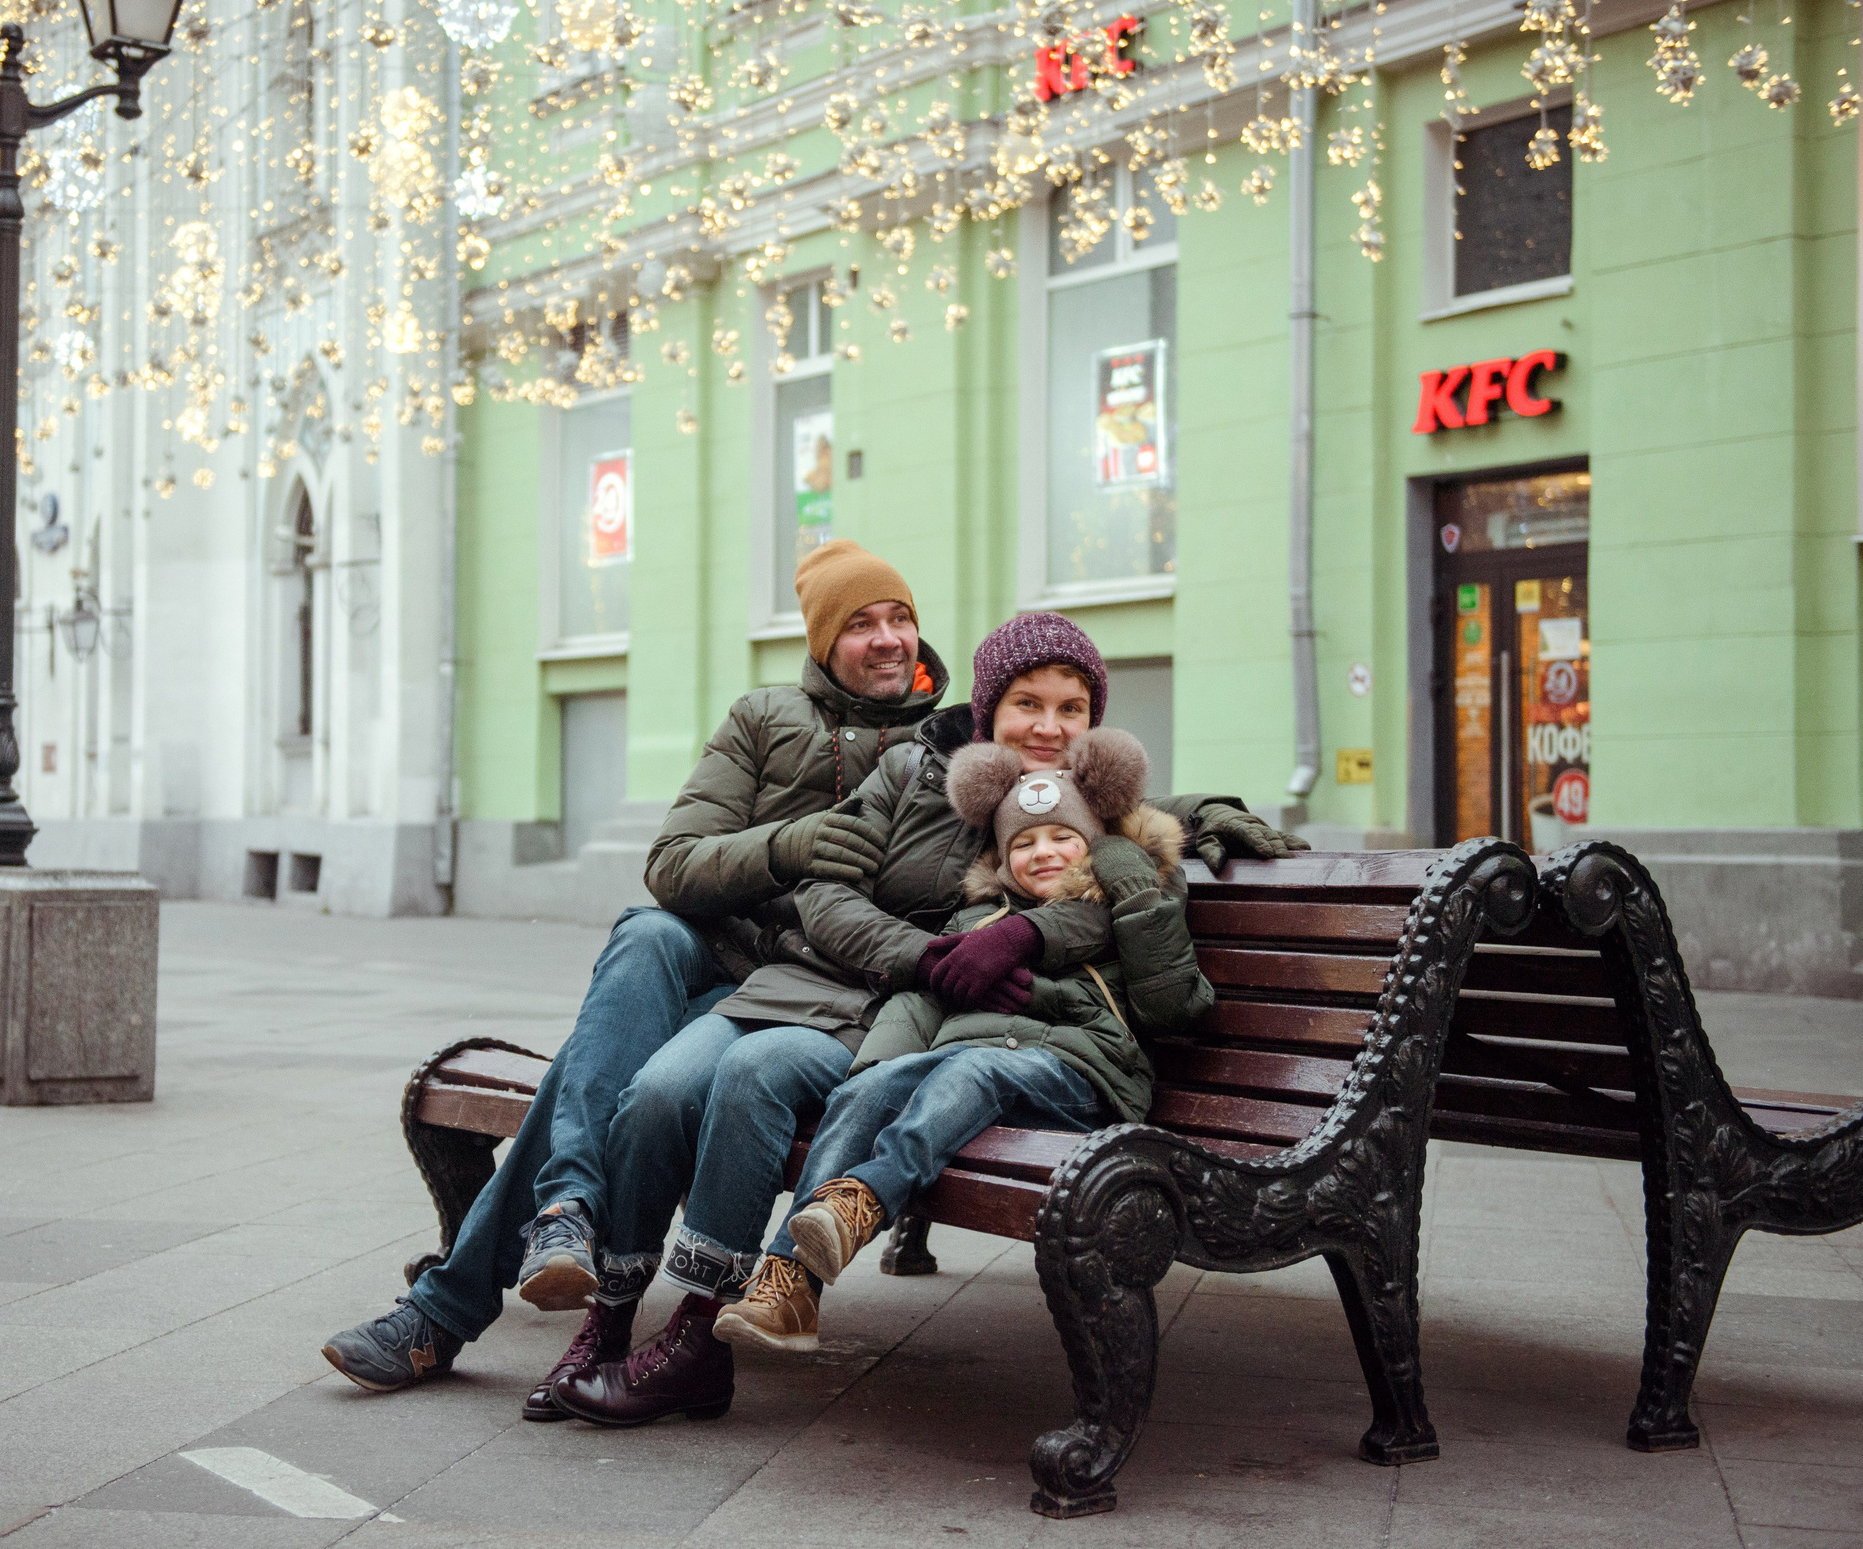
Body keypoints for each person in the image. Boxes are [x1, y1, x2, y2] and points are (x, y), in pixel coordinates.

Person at [546, 613, 1305, 1426]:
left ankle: (703, 1336)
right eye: (1025, 704)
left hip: (945, 1034)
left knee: (753, 1075)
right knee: (659, 1090)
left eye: (1071, 710)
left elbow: (1119, 872)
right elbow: (827, 892)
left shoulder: (1090, 811)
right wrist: (928, 955)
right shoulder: (916, 772)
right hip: (865, 994)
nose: (1047, 727)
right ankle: (613, 1317)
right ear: (987, 709)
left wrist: (1194, 817)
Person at [321, 540, 942, 1406]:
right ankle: (564, 1210)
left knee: (592, 1067)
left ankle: (455, 1302)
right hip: (711, 960)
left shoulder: (949, 744)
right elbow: (674, 863)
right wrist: (783, 844)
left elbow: (1060, 795)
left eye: (900, 617)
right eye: (860, 624)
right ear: (821, 640)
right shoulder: (764, 716)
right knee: (647, 932)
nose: (886, 639)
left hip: (806, 994)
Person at [722, 726, 1211, 1352]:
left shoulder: (1124, 908)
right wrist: (875, 1075)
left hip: (1082, 1073)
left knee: (973, 1071)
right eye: (1025, 843)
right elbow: (920, 1003)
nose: (1044, 852)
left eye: (1064, 836)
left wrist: (1128, 879)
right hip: (976, 1064)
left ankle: (865, 1198)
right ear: (1002, 858)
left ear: (1093, 844)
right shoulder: (977, 924)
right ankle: (788, 1286)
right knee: (874, 1087)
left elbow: (1172, 1003)